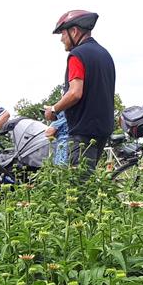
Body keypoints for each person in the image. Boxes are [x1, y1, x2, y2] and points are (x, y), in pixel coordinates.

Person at [43, 10, 115, 172]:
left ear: (74, 31)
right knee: (87, 178)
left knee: (78, 182)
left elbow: (75, 93)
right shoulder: (104, 54)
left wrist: (53, 109)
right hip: (103, 129)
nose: (61, 39)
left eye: (63, 33)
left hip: (83, 132)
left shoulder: (77, 55)